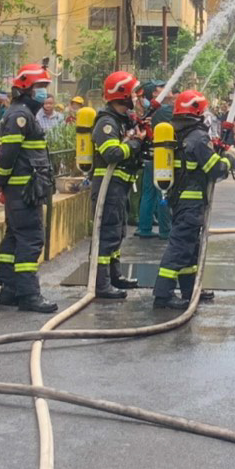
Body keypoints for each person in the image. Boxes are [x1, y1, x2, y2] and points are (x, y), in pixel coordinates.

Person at [152, 90, 231, 310]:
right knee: (179, 247)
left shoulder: (180, 133)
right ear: (196, 112)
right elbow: (216, 170)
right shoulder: (197, 137)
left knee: (189, 248)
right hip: (191, 202)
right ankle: (162, 294)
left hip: (181, 200)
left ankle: (190, 289)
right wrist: (230, 159)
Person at [0, 64, 58, 313]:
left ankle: (9, 291)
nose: (43, 93)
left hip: (23, 191)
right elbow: (8, 153)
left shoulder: (22, 113)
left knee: (14, 238)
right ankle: (29, 295)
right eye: (40, 87)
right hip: (24, 191)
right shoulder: (19, 115)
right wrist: (0, 179)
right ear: (26, 88)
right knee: (31, 239)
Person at [90, 71, 145, 299]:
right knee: (107, 234)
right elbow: (111, 153)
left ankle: (114, 276)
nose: (136, 98)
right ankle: (101, 285)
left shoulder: (122, 121)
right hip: (107, 188)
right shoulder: (106, 122)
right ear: (122, 94)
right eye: (133, 93)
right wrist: (133, 143)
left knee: (117, 233)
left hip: (118, 188)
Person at [136, 81, 173, 240]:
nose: (168, 90)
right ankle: (165, 230)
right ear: (155, 94)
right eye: (162, 89)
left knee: (148, 193)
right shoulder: (164, 111)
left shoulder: (150, 110)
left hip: (149, 157)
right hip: (161, 157)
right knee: (163, 193)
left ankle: (144, 228)